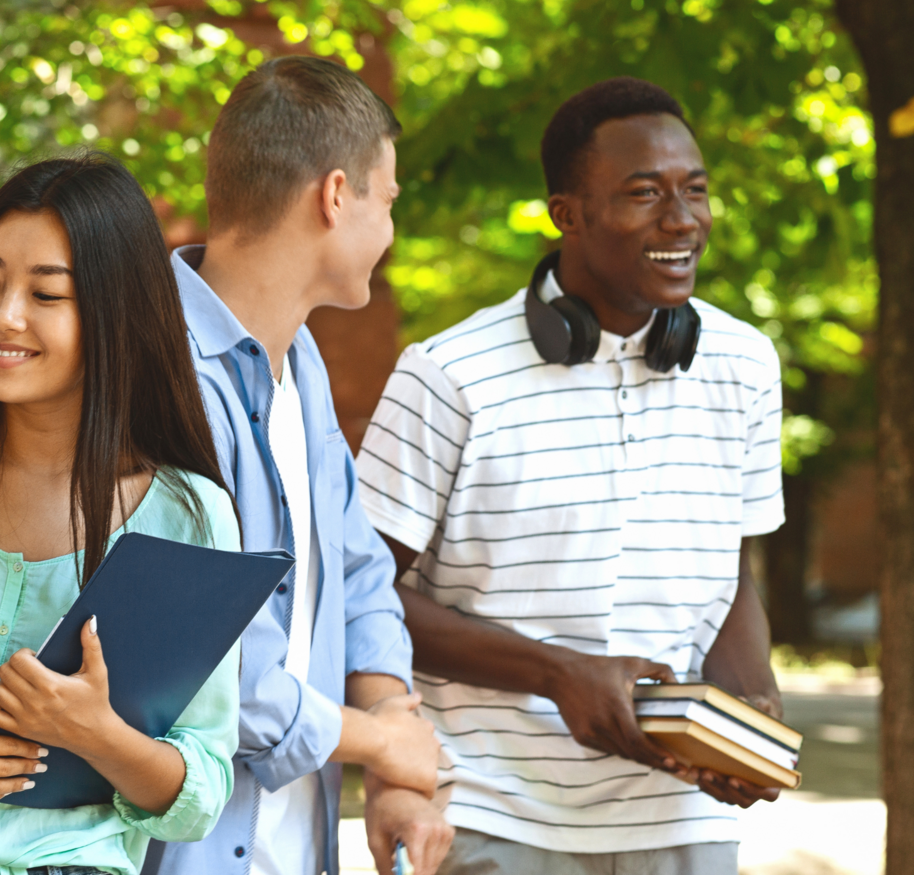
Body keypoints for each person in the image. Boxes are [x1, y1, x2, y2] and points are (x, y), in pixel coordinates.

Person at [356, 77, 785, 874]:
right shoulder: (449, 374)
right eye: (644, 194)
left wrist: (749, 710)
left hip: (679, 823)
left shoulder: (747, 366)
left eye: (695, 190)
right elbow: (360, 595)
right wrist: (557, 672)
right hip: (494, 811)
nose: (682, 219)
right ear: (568, 213)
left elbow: (731, 570)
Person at [0, 154, 240, 875]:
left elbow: (203, 791)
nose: (2, 315)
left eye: (47, 294)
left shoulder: (189, 513)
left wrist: (97, 733)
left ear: (116, 314)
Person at [147, 57, 453, 875]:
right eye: (387, 202)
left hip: (295, 847)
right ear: (336, 194)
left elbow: (359, 574)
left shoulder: (302, 359)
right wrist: (381, 739)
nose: (390, 230)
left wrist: (393, 735)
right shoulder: (162, 377)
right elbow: (215, 669)